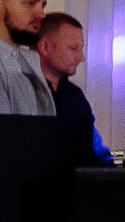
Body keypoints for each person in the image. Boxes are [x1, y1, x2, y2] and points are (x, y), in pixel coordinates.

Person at [33, 12, 114, 163]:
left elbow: (94, 148)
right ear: (44, 47)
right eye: (73, 48)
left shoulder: (74, 96)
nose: (81, 57)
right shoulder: (20, 89)